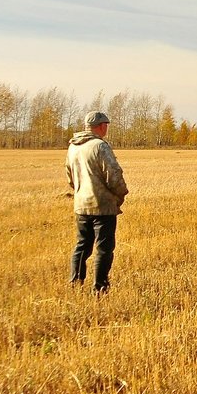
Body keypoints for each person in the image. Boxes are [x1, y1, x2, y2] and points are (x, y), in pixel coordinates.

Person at [66, 111, 128, 293]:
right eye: (106, 125)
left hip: (81, 205)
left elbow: (70, 177)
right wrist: (121, 194)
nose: (106, 128)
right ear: (101, 126)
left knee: (82, 245)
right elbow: (113, 175)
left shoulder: (73, 147)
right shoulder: (100, 146)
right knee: (104, 249)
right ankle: (100, 288)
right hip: (102, 206)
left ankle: (75, 283)